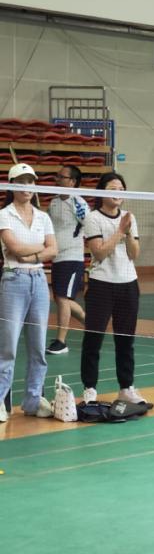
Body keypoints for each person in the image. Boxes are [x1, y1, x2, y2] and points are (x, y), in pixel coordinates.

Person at [80, 172, 147, 405]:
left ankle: (126, 388)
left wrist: (127, 232)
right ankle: (90, 388)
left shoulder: (129, 218)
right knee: (93, 338)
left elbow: (134, 254)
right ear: (102, 192)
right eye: (113, 188)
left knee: (126, 340)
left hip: (128, 284)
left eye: (121, 189)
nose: (118, 193)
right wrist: (119, 231)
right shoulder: (93, 218)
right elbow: (99, 252)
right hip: (101, 284)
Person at [0, 164, 57, 423]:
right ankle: (1, 401)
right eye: (21, 182)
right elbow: (14, 248)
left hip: (39, 281)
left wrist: (32, 254)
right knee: (8, 347)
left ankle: (33, 401)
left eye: (31, 181)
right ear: (11, 186)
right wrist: (40, 248)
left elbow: (53, 249)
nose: (27, 186)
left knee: (38, 347)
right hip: (14, 280)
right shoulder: (4, 215)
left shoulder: (43, 217)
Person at [47, 164, 88, 355]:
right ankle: (93, 325)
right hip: (57, 257)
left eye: (61, 177)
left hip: (72, 258)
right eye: (57, 176)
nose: (57, 179)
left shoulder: (78, 203)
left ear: (72, 182)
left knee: (63, 298)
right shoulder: (53, 202)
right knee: (59, 298)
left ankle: (61, 342)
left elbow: (91, 225)